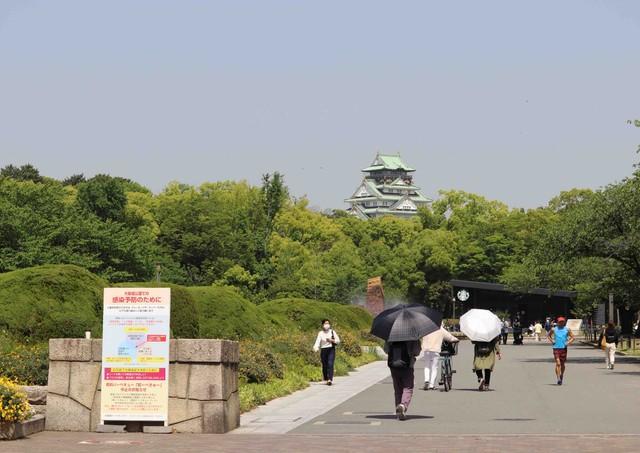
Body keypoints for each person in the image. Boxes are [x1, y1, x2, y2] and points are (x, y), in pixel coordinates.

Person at [384, 339, 421, 420]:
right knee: (408, 387)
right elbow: (417, 351)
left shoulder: (390, 335)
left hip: (393, 365)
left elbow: (386, 350)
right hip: (407, 365)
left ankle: (398, 411)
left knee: (397, 389)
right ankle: (403, 405)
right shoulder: (413, 335)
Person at [421, 325, 459, 390]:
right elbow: (449, 337)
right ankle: (431, 385)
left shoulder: (426, 328)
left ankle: (426, 381)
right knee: (434, 367)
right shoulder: (440, 328)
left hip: (426, 349)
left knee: (427, 366)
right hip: (435, 350)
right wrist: (456, 339)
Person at [547, 316, 575, 385]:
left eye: (562, 321)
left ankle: (561, 375)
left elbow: (573, 337)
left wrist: (568, 343)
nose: (561, 323)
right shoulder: (554, 329)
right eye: (560, 322)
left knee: (562, 364)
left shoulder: (567, 329)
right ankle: (558, 378)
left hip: (563, 348)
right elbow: (548, 335)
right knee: (558, 363)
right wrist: (552, 340)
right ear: (558, 322)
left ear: (564, 322)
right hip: (556, 348)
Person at [313, 319, 340, 385]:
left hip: (331, 349)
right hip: (323, 350)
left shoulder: (332, 332)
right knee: (324, 365)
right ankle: (326, 377)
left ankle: (330, 379)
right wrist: (316, 347)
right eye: (325, 323)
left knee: (330, 363)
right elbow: (317, 341)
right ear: (322, 325)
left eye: (328, 323)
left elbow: (338, 340)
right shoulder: (320, 333)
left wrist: (332, 340)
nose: (327, 325)